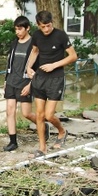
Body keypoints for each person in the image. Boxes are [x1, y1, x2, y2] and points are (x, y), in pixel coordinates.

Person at [26, 11, 77, 158]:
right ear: (38, 25)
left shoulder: (60, 35)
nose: (46, 29)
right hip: (40, 78)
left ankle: (62, 131)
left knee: (49, 115)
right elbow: (35, 52)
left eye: (48, 26)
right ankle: (42, 148)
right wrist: (29, 67)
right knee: (40, 115)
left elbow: (73, 56)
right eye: (43, 27)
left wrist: (54, 65)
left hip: (56, 78)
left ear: (52, 23)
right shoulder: (36, 35)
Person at [2, 15, 48, 151]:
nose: (17, 32)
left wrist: (30, 85)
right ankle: (13, 141)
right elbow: (9, 62)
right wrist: (6, 79)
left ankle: (43, 125)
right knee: (9, 111)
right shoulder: (14, 43)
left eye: (20, 29)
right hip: (11, 81)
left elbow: (38, 67)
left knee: (26, 113)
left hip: (25, 82)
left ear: (27, 28)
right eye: (16, 29)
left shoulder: (34, 45)